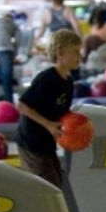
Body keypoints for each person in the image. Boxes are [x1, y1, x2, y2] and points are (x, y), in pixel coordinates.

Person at [16, 29, 83, 188]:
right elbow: (22, 105)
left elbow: (62, 114)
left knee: (57, 183)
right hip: (31, 142)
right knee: (49, 189)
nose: (79, 56)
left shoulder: (68, 81)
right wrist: (48, 125)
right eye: (75, 51)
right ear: (60, 53)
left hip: (46, 143)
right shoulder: (47, 79)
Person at [0, 10, 20, 102]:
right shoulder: (11, 23)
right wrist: (15, 52)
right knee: (7, 80)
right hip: (6, 50)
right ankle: (8, 105)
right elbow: (19, 38)